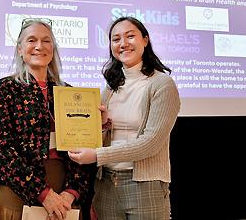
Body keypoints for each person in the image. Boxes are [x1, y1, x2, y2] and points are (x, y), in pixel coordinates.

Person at [68, 16, 180, 220]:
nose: (123, 44)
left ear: (145, 40)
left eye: (130, 36)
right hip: (106, 185)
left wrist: (97, 155)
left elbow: (150, 144)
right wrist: (101, 126)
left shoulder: (162, 84)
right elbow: (101, 137)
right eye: (116, 39)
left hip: (145, 186)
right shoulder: (110, 88)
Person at [0, 18, 94, 220]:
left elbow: (82, 146)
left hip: (64, 195)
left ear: (53, 48)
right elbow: (1, 149)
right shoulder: (2, 89)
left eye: (46, 41)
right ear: (20, 49)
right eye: (31, 40)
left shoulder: (68, 93)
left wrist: (71, 192)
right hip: (16, 192)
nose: (39, 46)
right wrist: (43, 193)